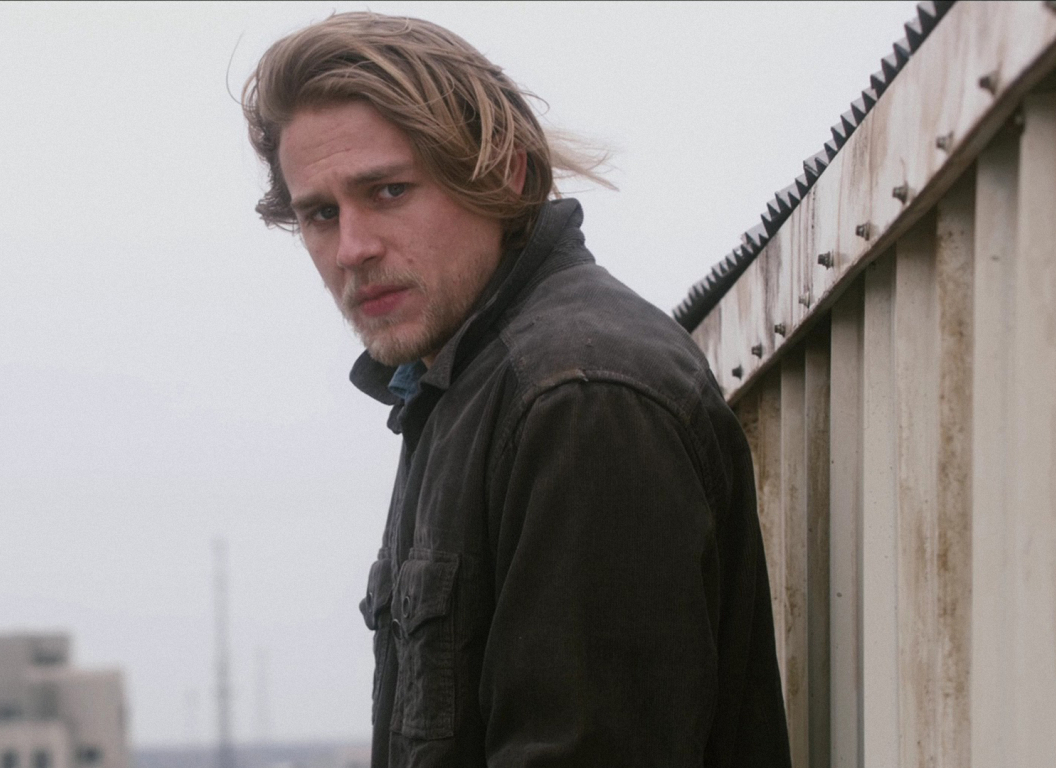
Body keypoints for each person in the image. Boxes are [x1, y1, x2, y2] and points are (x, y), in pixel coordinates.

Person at [242, 12, 790, 767]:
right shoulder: (458, 388)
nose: (353, 249)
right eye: (321, 214)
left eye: (389, 190)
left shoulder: (578, 397)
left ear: (507, 176)